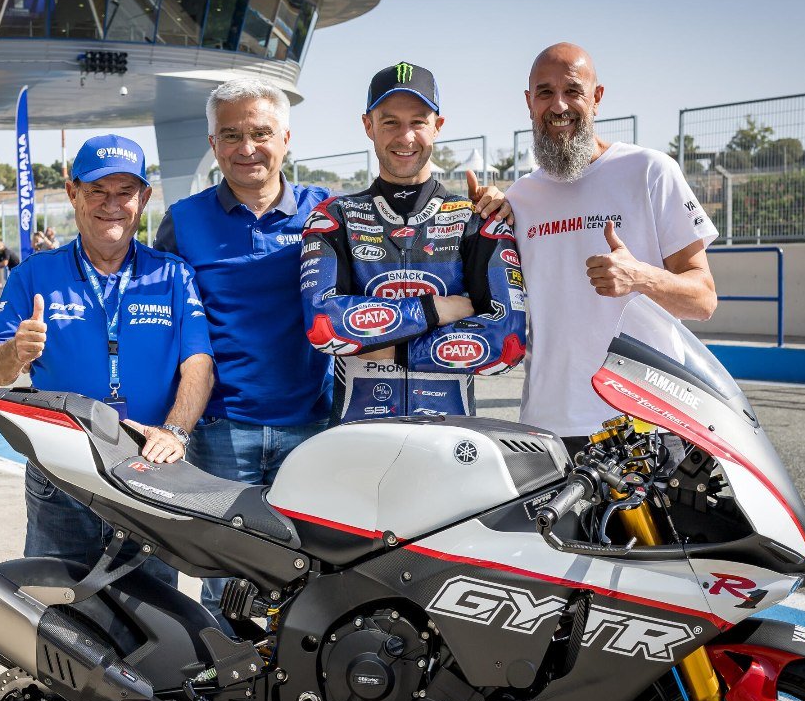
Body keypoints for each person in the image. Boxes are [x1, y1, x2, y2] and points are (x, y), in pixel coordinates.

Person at [0, 133, 212, 588]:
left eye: (125, 191)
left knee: (152, 618)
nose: (112, 204)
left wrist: (177, 431)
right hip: (61, 474)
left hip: (146, 471)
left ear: (143, 198)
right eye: (97, 191)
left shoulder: (173, 274)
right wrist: (15, 350)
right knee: (54, 612)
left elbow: (198, 364)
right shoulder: (34, 274)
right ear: (73, 193)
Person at [151, 78, 334, 618]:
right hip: (220, 433)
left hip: (312, 427)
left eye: (261, 133)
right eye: (231, 135)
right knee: (224, 584)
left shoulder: (328, 213)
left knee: (308, 576)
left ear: (286, 139)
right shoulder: (182, 221)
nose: (246, 148)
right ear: (212, 144)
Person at [503, 42, 718, 445]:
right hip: (546, 431)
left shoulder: (650, 171)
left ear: (597, 98)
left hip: (645, 425)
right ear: (530, 102)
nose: (559, 105)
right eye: (545, 92)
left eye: (573, 91)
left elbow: (704, 299)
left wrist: (641, 278)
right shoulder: (518, 199)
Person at [300, 62, 527, 422]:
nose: (405, 137)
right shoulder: (334, 218)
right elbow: (324, 327)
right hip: (355, 440)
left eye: (418, 122)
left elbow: (506, 345)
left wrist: (386, 346)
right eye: (390, 121)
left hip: (451, 443)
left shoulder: (479, 218)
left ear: (437, 127)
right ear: (368, 126)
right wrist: (436, 311)